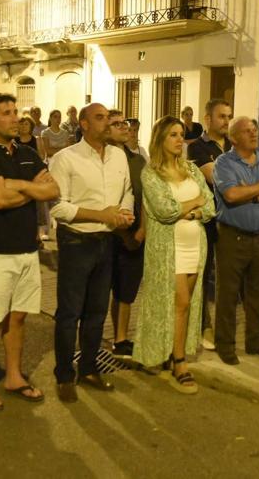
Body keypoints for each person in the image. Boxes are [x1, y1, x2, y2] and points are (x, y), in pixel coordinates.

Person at [0, 93, 59, 410]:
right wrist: (31, 190)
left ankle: (14, 376)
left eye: (15, 111)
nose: (15, 117)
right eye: (6, 113)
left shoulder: (26, 152)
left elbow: (53, 189)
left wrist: (16, 185)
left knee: (18, 318)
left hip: (27, 250)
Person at [49, 103, 134, 403]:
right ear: (83, 124)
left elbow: (127, 192)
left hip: (106, 242)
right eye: (99, 118)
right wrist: (101, 215)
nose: (106, 123)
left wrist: (124, 214)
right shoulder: (65, 158)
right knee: (70, 313)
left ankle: (88, 368)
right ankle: (63, 374)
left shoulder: (119, 156)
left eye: (108, 118)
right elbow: (58, 207)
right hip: (76, 242)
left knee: (97, 313)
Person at [133, 116, 214, 392]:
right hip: (169, 249)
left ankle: (173, 352)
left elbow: (211, 206)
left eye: (181, 134)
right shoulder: (151, 173)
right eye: (173, 135)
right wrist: (194, 204)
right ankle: (179, 361)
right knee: (179, 302)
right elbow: (164, 210)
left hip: (195, 247)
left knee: (186, 304)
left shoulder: (191, 168)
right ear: (160, 140)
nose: (180, 139)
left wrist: (190, 209)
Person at [212, 116, 259, 365]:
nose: (254, 134)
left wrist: (253, 193)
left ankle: (256, 342)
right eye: (247, 131)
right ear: (234, 138)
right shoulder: (224, 163)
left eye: (255, 130)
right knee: (228, 295)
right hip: (232, 237)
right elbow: (232, 194)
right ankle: (225, 346)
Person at [186, 99, 232, 350]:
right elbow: (214, 177)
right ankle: (204, 325)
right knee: (204, 274)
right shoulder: (198, 147)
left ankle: (225, 326)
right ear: (208, 119)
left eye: (229, 116)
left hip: (233, 219)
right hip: (209, 220)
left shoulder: (233, 146)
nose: (226, 121)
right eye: (221, 116)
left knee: (229, 277)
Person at [105, 111, 146, 359]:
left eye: (125, 123)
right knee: (100, 292)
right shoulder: (101, 159)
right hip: (107, 235)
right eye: (116, 124)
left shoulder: (137, 161)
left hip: (134, 237)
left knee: (126, 292)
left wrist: (142, 231)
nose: (124, 128)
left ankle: (121, 339)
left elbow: (144, 197)